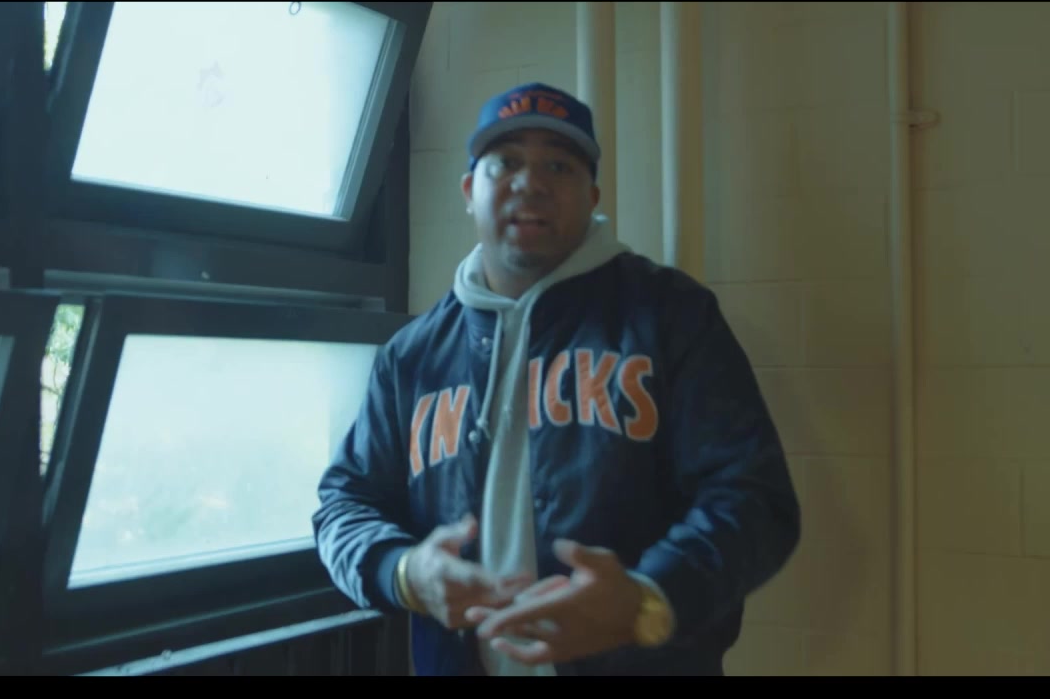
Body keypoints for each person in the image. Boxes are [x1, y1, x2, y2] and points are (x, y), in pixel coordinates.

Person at [311, 81, 801, 676]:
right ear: (469, 190)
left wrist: (646, 599)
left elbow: (753, 498)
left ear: (592, 195)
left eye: (559, 165)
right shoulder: (411, 356)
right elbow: (344, 503)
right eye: (505, 162)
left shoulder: (672, 317)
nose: (531, 182)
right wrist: (405, 572)